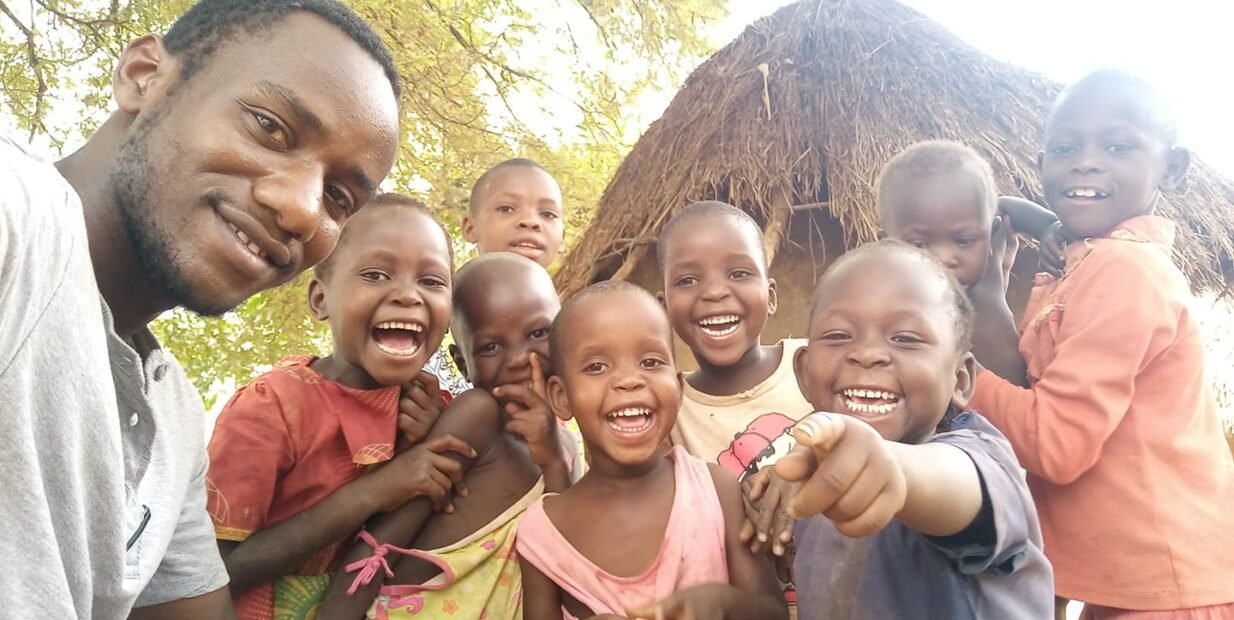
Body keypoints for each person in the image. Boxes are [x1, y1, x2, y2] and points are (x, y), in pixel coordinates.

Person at [0, 0, 400, 616]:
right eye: (270, 127)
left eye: (339, 196)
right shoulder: (19, 218)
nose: (300, 209)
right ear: (143, 78)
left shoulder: (172, 421)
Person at [969, 70, 1234, 618]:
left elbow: (1054, 445)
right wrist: (1035, 220)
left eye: (1118, 146)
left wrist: (952, 373)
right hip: (1136, 579)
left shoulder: (1122, 271)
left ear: (1174, 168)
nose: (1086, 161)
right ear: (1043, 164)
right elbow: (999, 205)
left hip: (1168, 583)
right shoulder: (1083, 260)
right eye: (1065, 148)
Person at [206, 196, 476, 618]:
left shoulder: (431, 409)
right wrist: (377, 489)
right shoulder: (274, 407)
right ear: (320, 300)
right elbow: (211, 574)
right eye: (375, 274)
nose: (408, 295)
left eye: (432, 281)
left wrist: (425, 438)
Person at [777, 240, 1053, 619]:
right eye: (839, 335)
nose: (867, 353)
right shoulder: (822, 478)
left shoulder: (985, 461)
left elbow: (959, 484)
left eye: (905, 338)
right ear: (804, 373)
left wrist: (892, 467)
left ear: (959, 379)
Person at [320, 252, 571, 619]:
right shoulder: (477, 414)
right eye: (490, 346)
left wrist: (552, 458)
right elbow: (380, 545)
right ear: (462, 362)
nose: (519, 358)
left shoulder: (563, 443)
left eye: (538, 333)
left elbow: (563, 554)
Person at [517, 281, 787, 620]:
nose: (629, 380)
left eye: (650, 361)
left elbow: (772, 612)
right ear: (561, 396)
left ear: (677, 385)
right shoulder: (543, 533)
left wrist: (724, 604)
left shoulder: (715, 491)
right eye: (597, 367)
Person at [656, 200, 812, 610]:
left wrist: (812, 457)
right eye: (688, 280)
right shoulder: (669, 409)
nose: (714, 292)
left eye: (739, 273)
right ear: (663, 307)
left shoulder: (812, 365)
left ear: (771, 294)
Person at [876, 139, 1066, 388]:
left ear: (991, 230)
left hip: (1013, 408)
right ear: (888, 246)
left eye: (963, 241)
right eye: (920, 245)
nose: (944, 258)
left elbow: (1010, 208)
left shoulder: (984, 230)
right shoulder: (886, 295)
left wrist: (1050, 230)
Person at [423, 158, 566, 397]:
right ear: (470, 227)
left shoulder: (576, 320)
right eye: (507, 209)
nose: (530, 221)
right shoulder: (439, 309)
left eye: (547, 213)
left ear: (562, 237)